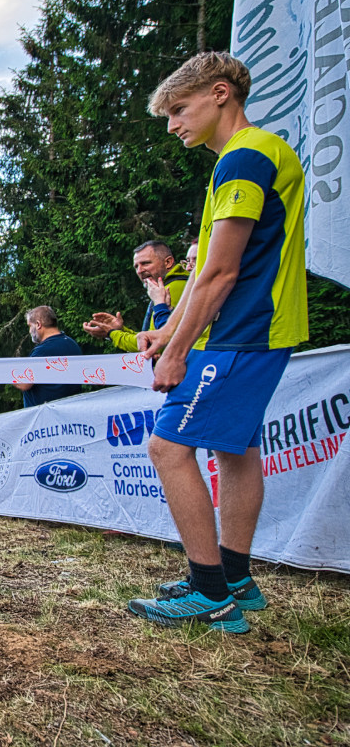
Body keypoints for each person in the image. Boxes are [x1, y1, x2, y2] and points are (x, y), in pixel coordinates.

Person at [127, 52, 307, 633]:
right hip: (259, 328)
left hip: (244, 330)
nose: (172, 125)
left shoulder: (244, 158)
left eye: (180, 109)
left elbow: (222, 273)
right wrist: (167, 330)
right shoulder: (255, 154)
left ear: (221, 93)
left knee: (167, 449)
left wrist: (177, 352)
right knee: (236, 451)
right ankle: (235, 577)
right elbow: (207, 269)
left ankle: (210, 592)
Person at [83, 241, 190, 351]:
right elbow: (149, 337)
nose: (140, 271)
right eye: (136, 266)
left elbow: (155, 344)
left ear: (168, 262)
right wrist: (119, 330)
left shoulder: (172, 288)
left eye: (146, 263)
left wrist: (112, 333)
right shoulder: (168, 287)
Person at [14, 306, 82, 407]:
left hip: (44, 412)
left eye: (30, 326)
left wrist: (8, 373)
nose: (29, 331)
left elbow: (24, 384)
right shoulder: (72, 344)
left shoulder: (42, 351)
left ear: (38, 324)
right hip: (70, 409)